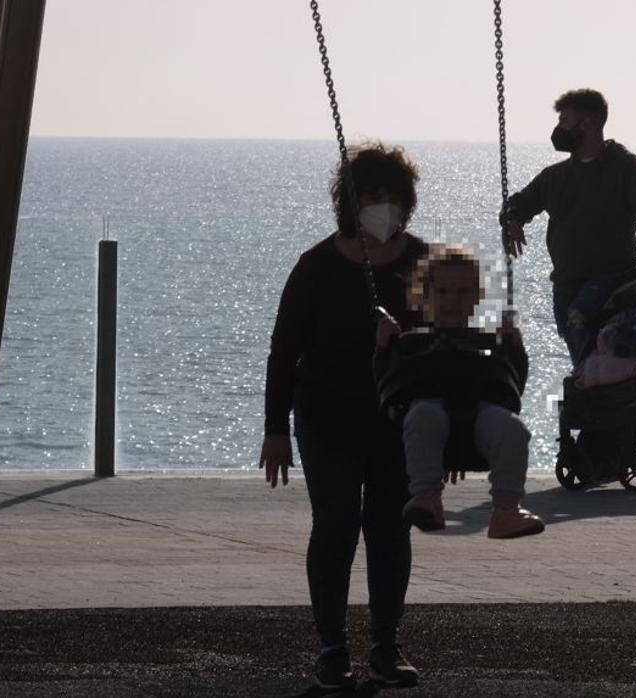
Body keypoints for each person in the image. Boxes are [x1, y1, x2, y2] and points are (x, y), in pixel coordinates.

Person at [259, 142, 426, 691]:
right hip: (325, 417)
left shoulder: (426, 262)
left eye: (392, 197)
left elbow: (455, 353)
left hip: (397, 422)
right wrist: (275, 428)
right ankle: (332, 649)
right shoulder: (316, 266)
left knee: (389, 526)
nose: (384, 206)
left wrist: (454, 434)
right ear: (350, 204)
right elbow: (284, 350)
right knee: (336, 524)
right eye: (372, 196)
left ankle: (386, 646)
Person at [373, 245, 544, 539]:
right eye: (442, 293)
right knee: (422, 415)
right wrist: (383, 347)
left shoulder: (491, 342)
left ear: (478, 297)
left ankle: (506, 510)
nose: (452, 300)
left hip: (480, 417)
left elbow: (512, 387)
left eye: (463, 293)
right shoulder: (410, 342)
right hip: (431, 416)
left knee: (513, 429)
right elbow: (388, 384)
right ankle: (427, 498)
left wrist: (516, 349)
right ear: (424, 297)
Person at [500, 88, 636, 363]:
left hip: (610, 280)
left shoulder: (626, 168)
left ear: (585, 124)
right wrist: (512, 221)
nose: (558, 128)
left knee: (584, 326)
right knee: (582, 358)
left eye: (563, 120)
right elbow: (521, 202)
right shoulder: (556, 177)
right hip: (565, 285)